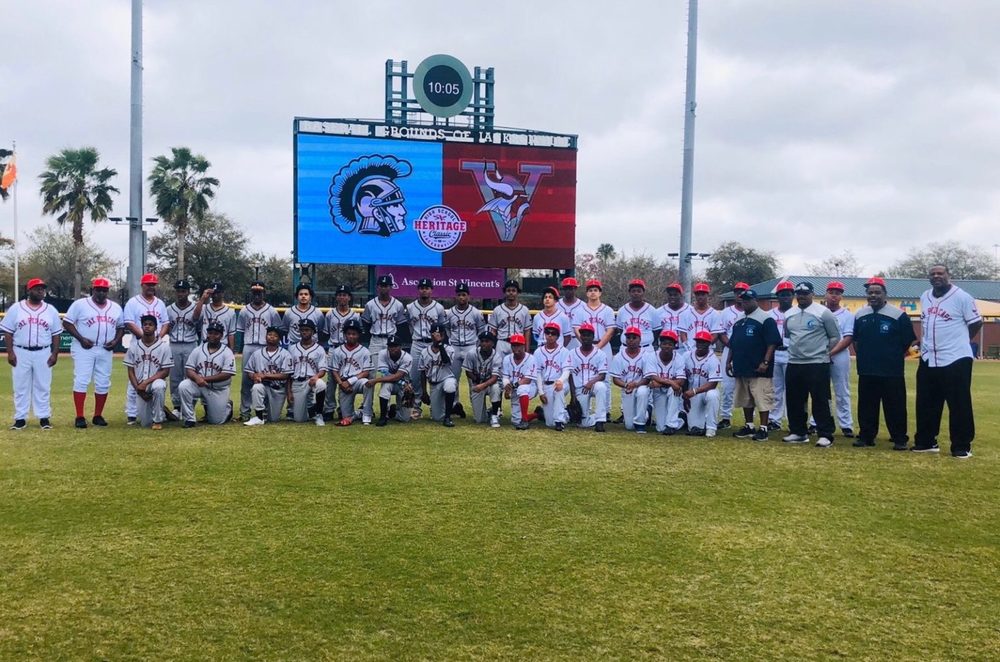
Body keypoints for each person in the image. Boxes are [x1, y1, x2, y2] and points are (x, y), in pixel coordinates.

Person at [913, 265, 982, 458]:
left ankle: (961, 445)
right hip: (929, 356)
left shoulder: (962, 297)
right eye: (933, 274)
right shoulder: (925, 296)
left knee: (959, 403)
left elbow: (976, 322)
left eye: (940, 273)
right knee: (926, 402)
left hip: (955, 357)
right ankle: (926, 441)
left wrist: (960, 341)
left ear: (948, 276)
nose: (936, 276)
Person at [852, 277, 916, 450]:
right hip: (866, 369)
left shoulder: (898, 314)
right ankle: (866, 436)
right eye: (870, 292)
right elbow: (856, 340)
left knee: (895, 406)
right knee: (866, 406)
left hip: (891, 370)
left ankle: (899, 439)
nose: (873, 295)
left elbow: (907, 341)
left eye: (877, 292)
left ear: (885, 294)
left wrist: (891, 356)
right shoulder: (860, 314)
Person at [783, 282, 841, 447]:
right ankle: (798, 432)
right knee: (794, 399)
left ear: (812, 294)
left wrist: (824, 352)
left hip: (817, 363)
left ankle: (825, 434)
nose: (801, 296)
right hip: (794, 362)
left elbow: (835, 337)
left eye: (805, 293)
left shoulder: (823, 313)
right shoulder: (790, 314)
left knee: (821, 399)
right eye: (799, 293)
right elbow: (788, 335)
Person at [63, 276, 124, 428]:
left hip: (105, 348)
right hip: (84, 348)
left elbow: (121, 327)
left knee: (103, 382)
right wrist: (81, 338)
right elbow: (67, 323)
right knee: (82, 380)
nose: (101, 293)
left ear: (108, 291)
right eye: (98, 290)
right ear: (93, 290)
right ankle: (79, 416)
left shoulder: (115, 307)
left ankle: (98, 415)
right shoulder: (80, 304)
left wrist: (115, 342)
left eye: (104, 290)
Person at [3, 278, 62, 430]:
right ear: (29, 291)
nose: (40, 291)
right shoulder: (16, 308)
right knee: (20, 386)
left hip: (43, 351)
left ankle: (44, 417)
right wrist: (10, 352)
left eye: (42, 288)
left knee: (43, 385)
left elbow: (56, 334)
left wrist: (54, 353)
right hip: (21, 351)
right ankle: (20, 418)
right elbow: (8, 332)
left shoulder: (51, 310)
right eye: (37, 288)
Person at [726, 289, 781, 442]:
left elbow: (772, 343)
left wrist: (765, 362)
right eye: (743, 300)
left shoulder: (765, 318)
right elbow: (733, 343)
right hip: (741, 365)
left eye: (748, 300)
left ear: (755, 300)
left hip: (759, 367)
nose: (745, 303)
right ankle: (749, 426)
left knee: (762, 398)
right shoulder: (739, 319)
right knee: (745, 398)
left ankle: (763, 428)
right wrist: (728, 361)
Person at [123, 272, 169, 425]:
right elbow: (129, 322)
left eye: (153, 284)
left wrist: (159, 338)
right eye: (148, 284)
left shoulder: (160, 303)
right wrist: (144, 336)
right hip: (138, 344)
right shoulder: (133, 302)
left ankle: (158, 410)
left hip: (156, 345)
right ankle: (131, 413)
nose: (151, 287)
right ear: (142, 285)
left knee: (157, 377)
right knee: (134, 378)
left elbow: (165, 323)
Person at [236, 280, 282, 421]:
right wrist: (238, 349)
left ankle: (265, 411)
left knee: (265, 378)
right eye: (254, 292)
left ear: (264, 293)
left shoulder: (272, 311)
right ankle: (245, 412)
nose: (257, 295)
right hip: (249, 346)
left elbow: (277, 331)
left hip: (264, 347)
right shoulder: (244, 310)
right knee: (246, 381)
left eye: (259, 292)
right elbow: (240, 331)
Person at [178, 320, 236, 427]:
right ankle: (189, 419)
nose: (212, 335)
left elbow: (227, 374)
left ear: (221, 335)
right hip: (199, 386)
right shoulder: (198, 350)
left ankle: (227, 407)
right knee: (184, 386)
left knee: (216, 421)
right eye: (210, 332)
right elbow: (189, 369)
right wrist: (197, 378)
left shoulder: (227, 352)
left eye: (216, 333)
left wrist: (204, 379)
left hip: (218, 389)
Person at [123, 315, 173, 430]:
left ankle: (158, 420)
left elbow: (165, 371)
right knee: (145, 422)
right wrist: (138, 389)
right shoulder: (134, 347)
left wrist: (146, 383)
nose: (147, 327)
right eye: (145, 324)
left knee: (159, 386)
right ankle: (162, 410)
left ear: (156, 328)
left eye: (150, 324)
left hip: (154, 382)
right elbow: (130, 371)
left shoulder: (164, 347)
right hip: (139, 385)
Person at [407, 277, 447, 412]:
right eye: (422, 288)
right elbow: (409, 326)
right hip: (417, 343)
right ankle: (416, 406)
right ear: (418, 290)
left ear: (431, 290)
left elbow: (442, 329)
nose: (424, 290)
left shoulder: (439, 308)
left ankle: (435, 406)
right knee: (415, 376)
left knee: (436, 374)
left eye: (427, 288)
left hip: (433, 344)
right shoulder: (410, 307)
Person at [165, 279, 203, 420]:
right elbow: (167, 328)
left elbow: (200, 329)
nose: (180, 293)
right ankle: (177, 407)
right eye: (178, 291)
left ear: (188, 292)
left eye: (183, 291)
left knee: (191, 375)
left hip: (190, 344)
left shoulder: (196, 308)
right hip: (174, 344)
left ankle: (190, 406)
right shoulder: (169, 309)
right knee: (174, 377)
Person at [243, 326, 293, 426]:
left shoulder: (285, 354)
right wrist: (254, 376)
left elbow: (285, 375)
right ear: (266, 336)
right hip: (263, 386)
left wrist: (265, 375)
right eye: (269, 334)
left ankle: (266, 412)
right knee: (257, 387)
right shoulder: (256, 354)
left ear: (279, 339)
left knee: (273, 419)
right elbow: (249, 372)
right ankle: (259, 417)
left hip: (278, 389)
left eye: (275, 336)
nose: (271, 337)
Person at [581, 279, 616, 421]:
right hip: (585, 345)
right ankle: (586, 411)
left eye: (595, 290)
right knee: (585, 376)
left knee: (605, 379)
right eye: (590, 290)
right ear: (586, 293)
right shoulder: (580, 309)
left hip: (603, 346)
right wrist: (586, 344)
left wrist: (598, 346)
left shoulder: (607, 310)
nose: (593, 292)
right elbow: (577, 329)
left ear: (600, 292)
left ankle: (605, 411)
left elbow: (610, 330)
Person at [446, 282, 486, 404]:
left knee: (473, 379)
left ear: (469, 296)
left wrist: (476, 345)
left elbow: (482, 330)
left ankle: (476, 405)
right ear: (455, 296)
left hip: (470, 347)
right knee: (453, 378)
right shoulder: (450, 313)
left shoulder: (475, 312)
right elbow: (447, 329)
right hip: (455, 347)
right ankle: (454, 405)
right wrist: (451, 341)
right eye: (459, 295)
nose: (461, 297)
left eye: (464, 294)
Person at [825, 281, 855, 437]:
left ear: (841, 296)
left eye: (837, 293)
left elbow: (848, 338)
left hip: (840, 354)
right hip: (820, 354)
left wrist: (831, 353)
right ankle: (817, 422)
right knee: (821, 390)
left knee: (842, 389)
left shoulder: (847, 315)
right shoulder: (819, 312)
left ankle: (846, 424)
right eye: (831, 292)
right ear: (826, 294)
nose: (834, 295)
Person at [717, 281, 749, 429]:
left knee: (748, 386)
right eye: (737, 292)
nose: (740, 295)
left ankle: (749, 421)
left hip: (748, 352)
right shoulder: (725, 312)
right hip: (728, 350)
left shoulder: (753, 311)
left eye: (743, 292)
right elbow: (721, 332)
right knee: (727, 386)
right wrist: (732, 345)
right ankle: (725, 417)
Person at [328, 318, 372, 426]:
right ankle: (358, 414)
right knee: (346, 417)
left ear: (358, 335)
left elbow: (366, 372)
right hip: (343, 383)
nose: (351, 336)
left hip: (358, 381)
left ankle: (367, 414)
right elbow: (334, 371)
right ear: (344, 335)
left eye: (354, 334)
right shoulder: (337, 351)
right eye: (349, 334)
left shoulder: (364, 351)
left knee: (368, 383)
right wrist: (341, 383)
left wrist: (350, 381)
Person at [568, 323, 609, 432]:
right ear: (580, 336)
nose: (586, 337)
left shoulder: (600, 354)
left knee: (601, 387)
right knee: (582, 423)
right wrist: (573, 396)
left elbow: (602, 375)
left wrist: (591, 382)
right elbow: (570, 376)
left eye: (588, 335)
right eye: (584, 335)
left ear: (593, 336)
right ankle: (594, 417)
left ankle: (600, 421)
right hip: (580, 389)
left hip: (594, 385)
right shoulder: (572, 353)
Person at [365, 334, 413, 426]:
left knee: (404, 419)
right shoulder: (383, 353)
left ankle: (394, 410)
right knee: (386, 386)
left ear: (400, 347)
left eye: (395, 346)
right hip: (398, 383)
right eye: (390, 346)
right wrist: (402, 382)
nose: (392, 349)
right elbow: (385, 374)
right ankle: (383, 417)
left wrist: (375, 380)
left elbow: (398, 376)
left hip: (405, 387)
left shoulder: (407, 358)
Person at [287, 318, 328, 425]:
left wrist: (316, 377)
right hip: (296, 383)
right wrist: (289, 391)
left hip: (311, 381)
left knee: (321, 384)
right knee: (299, 419)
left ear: (313, 332)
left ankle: (319, 414)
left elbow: (323, 370)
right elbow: (288, 373)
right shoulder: (292, 348)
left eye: (307, 330)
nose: (304, 332)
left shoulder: (319, 349)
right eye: (302, 330)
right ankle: (311, 408)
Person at [611, 326, 652, 433]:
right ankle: (646, 413)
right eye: (629, 337)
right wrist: (625, 385)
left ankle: (641, 423)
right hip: (627, 389)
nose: (631, 340)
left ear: (640, 339)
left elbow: (648, 378)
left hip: (641, 386)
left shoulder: (647, 356)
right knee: (629, 426)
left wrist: (636, 384)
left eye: (634, 337)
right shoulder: (618, 357)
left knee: (642, 392)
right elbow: (615, 379)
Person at [361, 275, 407, 368]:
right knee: (372, 370)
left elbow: (401, 326)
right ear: (377, 287)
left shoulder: (398, 305)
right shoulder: (370, 305)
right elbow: (365, 324)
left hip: (392, 340)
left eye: (386, 286)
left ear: (391, 287)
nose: (383, 288)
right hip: (375, 340)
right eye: (381, 285)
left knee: (392, 369)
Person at [646, 329, 686, 435]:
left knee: (675, 389)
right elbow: (652, 376)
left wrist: (668, 383)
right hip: (658, 392)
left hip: (671, 390)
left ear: (674, 345)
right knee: (660, 428)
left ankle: (671, 425)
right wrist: (672, 382)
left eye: (670, 344)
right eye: (664, 343)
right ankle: (681, 419)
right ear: (660, 344)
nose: (667, 346)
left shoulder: (679, 358)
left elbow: (681, 381)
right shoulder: (651, 356)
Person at [683, 331, 722, 438]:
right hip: (692, 394)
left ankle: (711, 427)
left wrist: (694, 391)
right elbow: (683, 378)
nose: (700, 344)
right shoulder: (687, 356)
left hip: (705, 392)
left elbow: (713, 384)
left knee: (713, 394)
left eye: (704, 342)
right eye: (698, 342)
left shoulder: (713, 360)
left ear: (709, 344)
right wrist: (685, 395)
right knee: (694, 428)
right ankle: (700, 422)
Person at [533, 321, 571, 431]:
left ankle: (559, 421)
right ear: (544, 334)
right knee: (549, 423)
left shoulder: (564, 351)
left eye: (553, 333)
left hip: (560, 383)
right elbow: (538, 374)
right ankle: (567, 414)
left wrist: (560, 380)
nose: (550, 335)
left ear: (558, 336)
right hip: (546, 385)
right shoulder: (538, 352)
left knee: (558, 389)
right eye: (547, 332)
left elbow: (566, 371)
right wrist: (541, 392)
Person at [419, 323, 459, 427]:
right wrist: (424, 392)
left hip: (446, 379)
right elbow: (422, 373)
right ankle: (455, 408)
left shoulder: (449, 349)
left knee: (450, 386)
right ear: (431, 335)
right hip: (434, 385)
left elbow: (446, 361)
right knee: (436, 418)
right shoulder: (424, 352)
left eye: (440, 334)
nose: (437, 336)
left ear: (443, 335)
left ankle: (448, 418)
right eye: (434, 334)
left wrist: (440, 343)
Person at [767, 281, 794, 431]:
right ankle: (774, 420)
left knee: (792, 389)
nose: (785, 298)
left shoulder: (797, 312)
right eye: (782, 295)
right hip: (775, 353)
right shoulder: (770, 314)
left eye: (788, 295)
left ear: (793, 296)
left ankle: (793, 421)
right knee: (776, 389)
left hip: (792, 353)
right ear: (777, 296)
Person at [501, 334, 540, 430]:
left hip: (530, 388)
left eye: (518, 345)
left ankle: (525, 421)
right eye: (514, 345)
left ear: (523, 346)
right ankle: (537, 414)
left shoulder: (531, 359)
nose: (516, 348)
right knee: (515, 421)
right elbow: (505, 377)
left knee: (522, 388)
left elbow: (527, 379)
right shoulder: (507, 359)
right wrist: (507, 388)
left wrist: (513, 386)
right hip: (515, 389)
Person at [465, 331, 503, 428]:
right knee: (479, 420)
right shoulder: (472, 353)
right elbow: (468, 371)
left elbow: (494, 378)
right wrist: (476, 380)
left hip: (489, 384)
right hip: (477, 384)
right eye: (482, 341)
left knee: (496, 388)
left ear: (493, 343)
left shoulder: (497, 356)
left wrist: (483, 385)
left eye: (487, 341)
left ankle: (494, 414)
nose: (484, 344)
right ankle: (488, 412)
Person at [489, 279, 532, 357]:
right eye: (508, 290)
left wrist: (527, 349)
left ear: (517, 292)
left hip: (518, 343)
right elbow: (493, 331)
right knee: (500, 368)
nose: (511, 292)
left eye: (513, 290)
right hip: (502, 342)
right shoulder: (497, 309)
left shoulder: (524, 310)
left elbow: (527, 332)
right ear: (505, 292)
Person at [615, 279, 660, 351]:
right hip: (625, 348)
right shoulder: (622, 310)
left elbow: (656, 331)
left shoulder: (652, 310)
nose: (636, 293)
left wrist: (645, 340)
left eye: (639, 291)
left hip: (646, 349)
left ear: (643, 293)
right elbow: (620, 329)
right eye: (633, 291)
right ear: (629, 293)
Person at [657, 282, 694, 354]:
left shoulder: (691, 311)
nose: (672, 297)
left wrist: (689, 350)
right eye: (670, 295)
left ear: (681, 295)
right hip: (664, 349)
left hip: (683, 349)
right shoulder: (659, 311)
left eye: (675, 295)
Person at [199, 282, 236, 349]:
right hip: (204, 344)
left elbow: (231, 334)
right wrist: (203, 298)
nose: (215, 295)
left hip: (222, 345)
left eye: (218, 293)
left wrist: (231, 350)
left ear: (222, 293)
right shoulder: (204, 308)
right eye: (213, 293)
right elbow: (195, 317)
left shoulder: (230, 312)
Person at [688, 283, 722, 352]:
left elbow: (715, 335)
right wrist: (687, 347)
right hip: (689, 350)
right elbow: (683, 334)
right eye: (698, 294)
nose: (700, 297)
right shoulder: (687, 313)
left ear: (708, 295)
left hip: (708, 350)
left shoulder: (714, 314)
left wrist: (704, 348)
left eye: (703, 294)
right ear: (695, 296)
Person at [325, 284, 361, 351]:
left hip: (350, 349)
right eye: (339, 295)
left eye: (344, 295)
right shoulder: (329, 314)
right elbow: (325, 334)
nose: (342, 297)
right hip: (333, 348)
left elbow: (360, 336)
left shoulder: (355, 316)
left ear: (349, 297)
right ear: (336, 297)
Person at [557, 276, 586, 349]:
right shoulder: (556, 305)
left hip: (577, 339)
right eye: (566, 288)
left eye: (570, 288)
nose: (568, 291)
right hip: (560, 339)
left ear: (575, 289)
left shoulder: (583, 305)